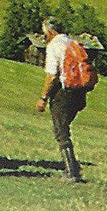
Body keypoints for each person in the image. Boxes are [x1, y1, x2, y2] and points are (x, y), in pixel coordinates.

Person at [35, 17, 86, 182]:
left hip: (64, 92)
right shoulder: (73, 43)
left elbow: (52, 75)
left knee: (61, 131)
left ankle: (71, 172)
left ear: (50, 31)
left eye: (44, 33)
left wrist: (43, 97)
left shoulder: (54, 46)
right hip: (80, 91)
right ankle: (73, 167)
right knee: (63, 128)